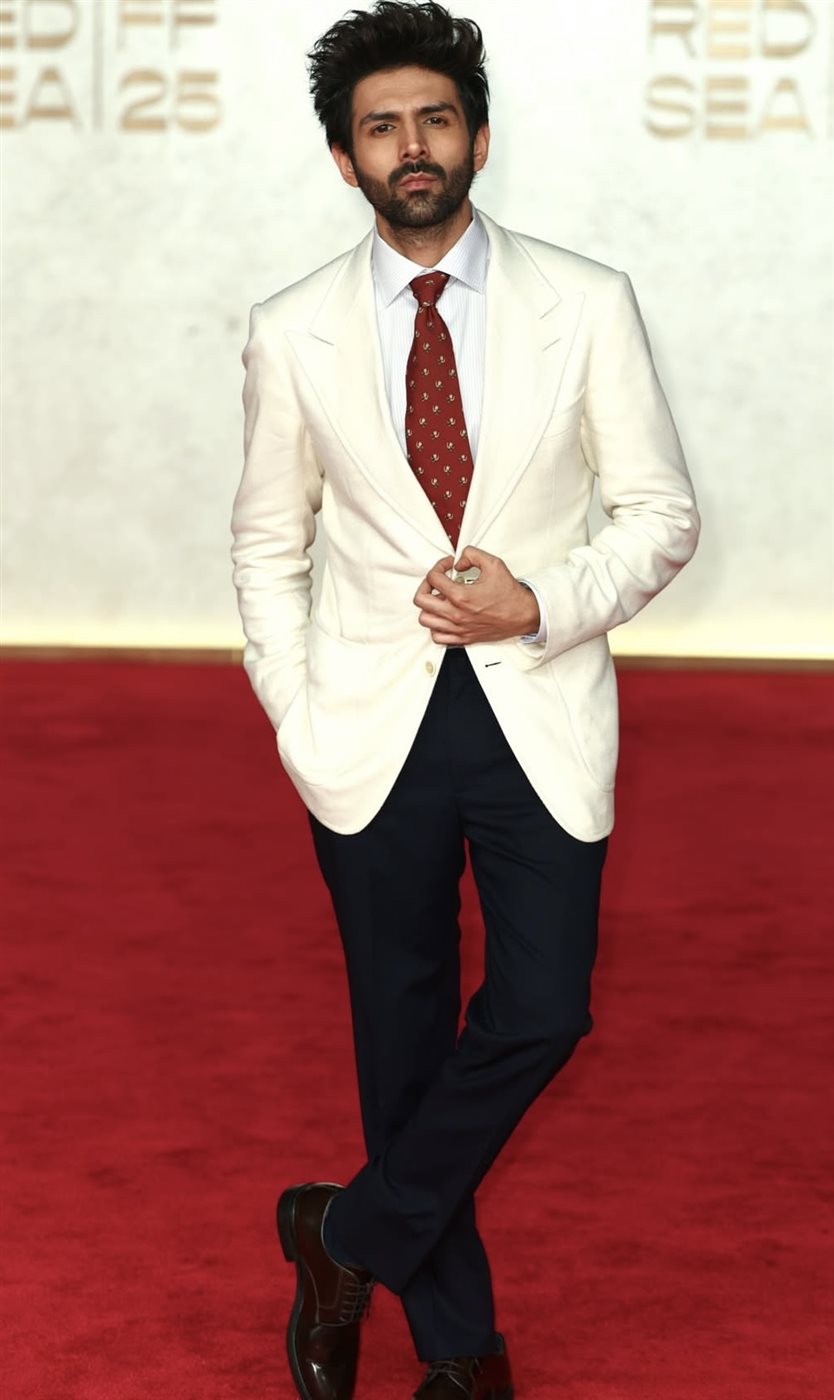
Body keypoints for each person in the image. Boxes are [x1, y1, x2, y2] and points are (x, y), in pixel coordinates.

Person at [231, 4, 699, 1397]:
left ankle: (343, 1235)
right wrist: (296, 712)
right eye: (381, 127)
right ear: (345, 160)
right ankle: (459, 1356)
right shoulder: (292, 330)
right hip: (365, 722)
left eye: (434, 118)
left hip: (536, 704)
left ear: (479, 138)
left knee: (544, 1008)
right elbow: (266, 543)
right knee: (402, 1030)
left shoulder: (587, 301)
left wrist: (538, 602)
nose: (411, 145)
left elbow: (660, 514)